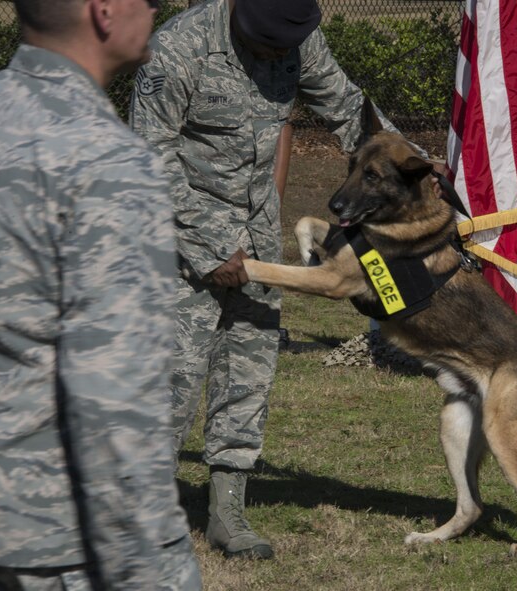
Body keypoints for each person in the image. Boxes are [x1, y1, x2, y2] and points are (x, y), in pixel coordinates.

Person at [0, 0, 201, 589]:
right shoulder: (108, 164)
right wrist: (155, 571)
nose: (156, 9)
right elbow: (113, 403)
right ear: (104, 11)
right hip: (51, 544)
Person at [130, 0, 410, 560]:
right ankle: (139, 513)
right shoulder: (179, 49)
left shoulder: (294, 36)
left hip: (256, 235)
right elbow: (147, 157)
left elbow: (349, 108)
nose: (277, 56)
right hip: (178, 239)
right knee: (171, 382)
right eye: (266, 46)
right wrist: (210, 246)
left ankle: (227, 512)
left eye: (285, 46)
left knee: (248, 375)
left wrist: (412, 167)